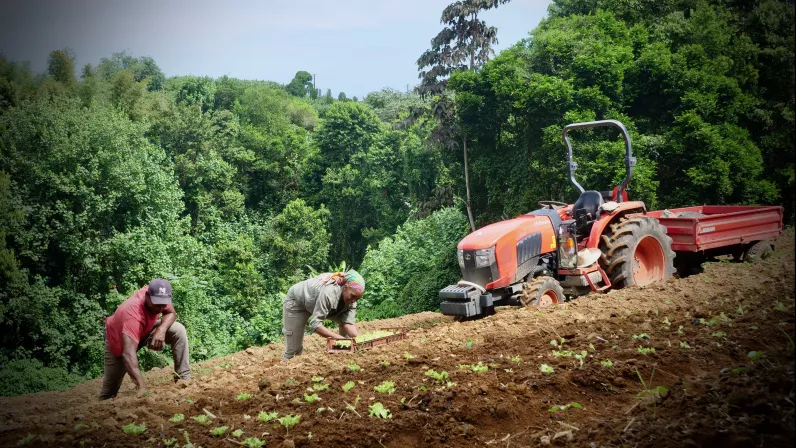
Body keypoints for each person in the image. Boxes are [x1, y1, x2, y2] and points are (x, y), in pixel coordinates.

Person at [99, 278, 190, 400]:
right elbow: (128, 354)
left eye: (163, 304)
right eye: (156, 304)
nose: (159, 308)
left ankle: (183, 379)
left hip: (144, 330)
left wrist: (161, 330)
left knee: (178, 330)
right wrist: (142, 387)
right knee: (108, 394)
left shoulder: (159, 294)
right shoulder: (133, 313)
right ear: (147, 296)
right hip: (118, 340)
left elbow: (171, 313)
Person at [282, 270, 365, 360]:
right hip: (298, 303)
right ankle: (287, 364)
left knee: (348, 336)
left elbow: (348, 324)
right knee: (294, 351)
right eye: (353, 296)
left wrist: (359, 340)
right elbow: (315, 325)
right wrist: (339, 339)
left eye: (357, 298)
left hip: (322, 304)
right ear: (345, 287)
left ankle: (345, 355)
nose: (354, 300)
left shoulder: (352, 301)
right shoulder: (329, 293)